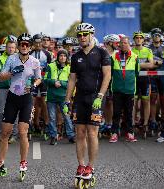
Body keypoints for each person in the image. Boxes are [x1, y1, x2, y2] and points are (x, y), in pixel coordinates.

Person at [0, 33, 41, 181]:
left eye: (27, 44)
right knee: (5, 133)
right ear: (18, 45)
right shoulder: (11, 58)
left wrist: (35, 85)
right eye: (22, 44)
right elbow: (1, 76)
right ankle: (0, 162)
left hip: (26, 98)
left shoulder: (35, 61)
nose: (24, 46)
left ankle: (23, 162)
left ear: (30, 47)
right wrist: (11, 73)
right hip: (12, 97)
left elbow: (39, 78)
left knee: (22, 132)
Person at [64, 23, 111, 187]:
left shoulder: (102, 53)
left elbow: (107, 76)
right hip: (80, 98)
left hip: (95, 97)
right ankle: (81, 165)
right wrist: (67, 99)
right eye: (80, 35)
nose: (82, 37)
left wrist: (100, 95)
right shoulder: (75, 56)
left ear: (91, 35)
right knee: (80, 132)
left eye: (85, 34)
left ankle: (91, 167)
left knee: (92, 132)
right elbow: (72, 79)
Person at [109, 37, 139, 143]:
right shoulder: (113, 56)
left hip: (130, 90)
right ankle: (114, 133)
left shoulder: (135, 57)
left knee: (129, 113)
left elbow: (137, 73)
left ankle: (130, 133)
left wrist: (135, 88)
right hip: (117, 89)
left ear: (129, 44)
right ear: (119, 45)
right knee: (116, 113)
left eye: (126, 43)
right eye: (122, 43)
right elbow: (110, 73)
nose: (124, 45)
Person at [44, 49, 75, 145]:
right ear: (58, 57)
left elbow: (72, 82)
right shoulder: (51, 66)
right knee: (52, 117)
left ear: (67, 57)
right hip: (51, 96)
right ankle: (53, 136)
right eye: (61, 56)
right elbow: (45, 79)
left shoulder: (70, 68)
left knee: (66, 116)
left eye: (64, 56)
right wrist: (53, 82)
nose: (62, 58)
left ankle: (71, 136)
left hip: (64, 97)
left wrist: (61, 83)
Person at [132, 31, 157, 138]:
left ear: (143, 40)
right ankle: (132, 124)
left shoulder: (148, 50)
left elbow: (151, 64)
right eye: (136, 38)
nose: (138, 39)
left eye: (140, 38)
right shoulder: (130, 50)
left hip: (145, 79)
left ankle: (146, 124)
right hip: (133, 79)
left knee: (146, 101)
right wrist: (144, 64)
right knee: (134, 102)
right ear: (134, 39)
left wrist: (136, 64)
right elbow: (148, 64)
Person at [0, 35, 17, 143]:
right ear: (6, 48)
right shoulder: (0, 59)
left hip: (16, 89)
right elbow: (0, 74)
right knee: (0, 112)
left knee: (14, 112)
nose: (11, 49)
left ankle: (13, 135)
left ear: (15, 48)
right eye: (9, 47)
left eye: (12, 47)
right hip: (3, 88)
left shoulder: (19, 58)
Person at [30, 34, 51, 138]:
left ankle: (46, 124)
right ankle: (32, 123)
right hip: (33, 80)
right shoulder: (30, 53)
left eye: (39, 42)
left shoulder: (47, 54)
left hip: (43, 81)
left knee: (44, 102)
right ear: (33, 43)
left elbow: (51, 68)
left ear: (42, 42)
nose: (38, 44)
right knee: (32, 102)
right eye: (36, 42)